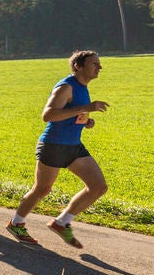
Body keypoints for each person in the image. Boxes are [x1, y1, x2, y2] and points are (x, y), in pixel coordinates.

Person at [6, 50, 109, 248]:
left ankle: (61, 222)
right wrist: (85, 107)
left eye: (99, 63)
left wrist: (85, 120)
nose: (99, 67)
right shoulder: (66, 87)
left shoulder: (82, 87)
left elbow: (70, 113)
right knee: (42, 189)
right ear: (78, 66)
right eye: (94, 64)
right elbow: (49, 115)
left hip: (73, 146)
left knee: (98, 186)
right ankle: (16, 223)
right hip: (53, 145)